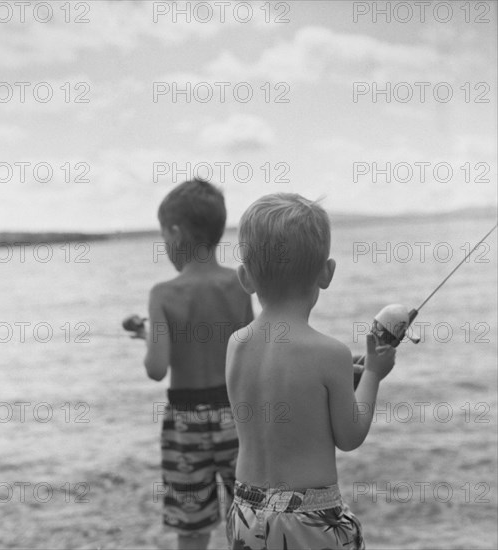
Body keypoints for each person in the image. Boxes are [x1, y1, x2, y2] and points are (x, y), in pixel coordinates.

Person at [225, 193, 396, 550]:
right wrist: (374, 375)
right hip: (312, 517)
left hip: (246, 511)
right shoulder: (329, 353)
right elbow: (350, 436)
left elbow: (276, 402)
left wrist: (339, 385)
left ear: (245, 278)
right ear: (327, 273)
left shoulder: (236, 344)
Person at [140, 179, 254, 550]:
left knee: (191, 528)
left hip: (185, 425)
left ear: (174, 232)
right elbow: (247, 352)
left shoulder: (163, 294)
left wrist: (151, 338)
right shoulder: (240, 285)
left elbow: (157, 368)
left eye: (163, 236)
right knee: (250, 518)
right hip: (237, 415)